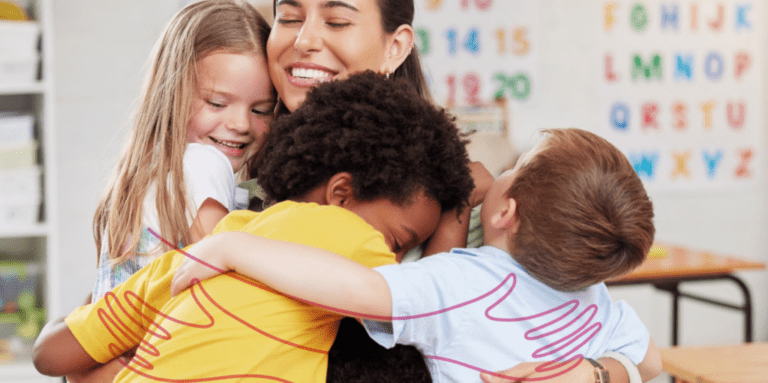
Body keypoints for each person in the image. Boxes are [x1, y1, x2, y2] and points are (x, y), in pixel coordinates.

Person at [32, 72, 474, 383]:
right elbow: (426, 310)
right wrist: (460, 212)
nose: (393, 259)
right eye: (397, 242)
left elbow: (51, 354)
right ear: (341, 194)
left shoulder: (212, 245)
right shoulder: (351, 237)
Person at [170, 128, 663, 382]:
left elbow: (357, 288)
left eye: (516, 167)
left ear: (506, 213)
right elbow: (652, 360)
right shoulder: (588, 289)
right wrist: (596, 373)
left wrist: (235, 245)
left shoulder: (463, 284)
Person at [90, 0, 276, 300]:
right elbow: (224, 289)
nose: (241, 123)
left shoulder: (145, 177)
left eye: (261, 109)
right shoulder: (205, 164)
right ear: (173, 93)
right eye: (217, 103)